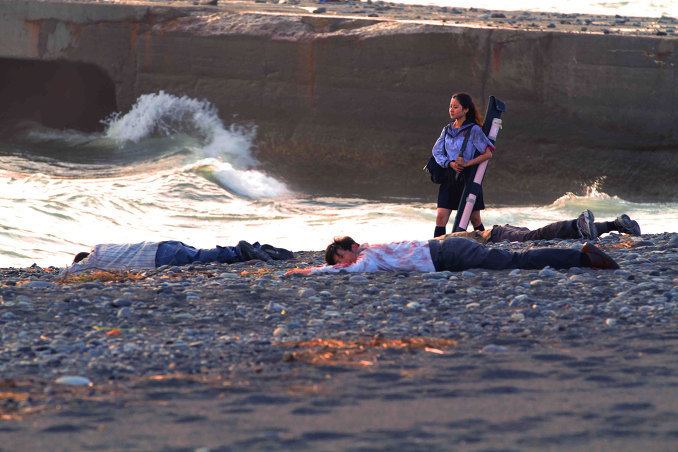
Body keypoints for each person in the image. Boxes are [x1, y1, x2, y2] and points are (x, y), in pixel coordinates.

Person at [285, 235, 619, 276]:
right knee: (510, 259)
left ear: (346, 249)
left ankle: (582, 256)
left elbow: (352, 272)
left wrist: (307, 272)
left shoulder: (367, 257)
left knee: (514, 261)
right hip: (448, 250)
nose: (340, 264)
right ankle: (580, 256)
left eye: (338, 258)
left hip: (449, 254)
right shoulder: (373, 250)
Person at [431, 92, 495, 238]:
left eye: (455, 107)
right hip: (449, 177)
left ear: (465, 109)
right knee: (440, 216)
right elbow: (436, 152)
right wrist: (449, 163)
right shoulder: (447, 130)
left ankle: (487, 244)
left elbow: (487, 154)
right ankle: (437, 248)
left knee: (474, 218)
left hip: (468, 178)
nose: (451, 110)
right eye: (450, 106)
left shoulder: (474, 130)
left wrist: (467, 163)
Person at [63, 240, 293, 274]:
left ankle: (242, 251)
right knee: (201, 255)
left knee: (203, 259)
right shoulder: (103, 248)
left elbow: (70, 273)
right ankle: (254, 249)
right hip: (162, 245)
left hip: (157, 258)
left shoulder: (93, 259)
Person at [443, 210, 641, 244]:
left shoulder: (440, 243)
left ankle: (576, 224)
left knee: (537, 236)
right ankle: (617, 225)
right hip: (501, 231)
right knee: (545, 237)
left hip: (496, 235)